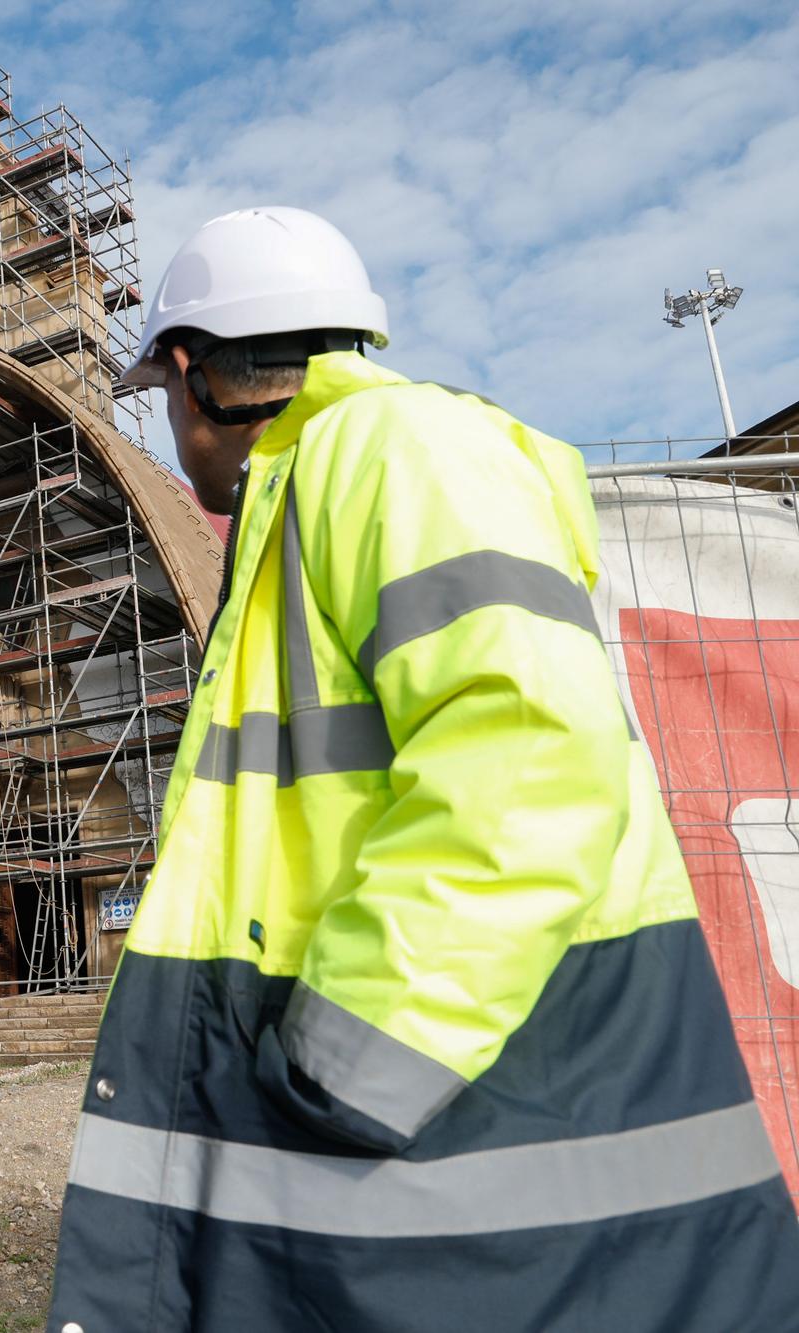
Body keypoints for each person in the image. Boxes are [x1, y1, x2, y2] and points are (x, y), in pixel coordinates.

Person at [47, 207, 799, 1332]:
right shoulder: (302, 505)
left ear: (200, 375)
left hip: (457, 1124)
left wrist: (349, 1057)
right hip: (435, 1164)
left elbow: (528, 754)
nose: (166, 429)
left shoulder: (392, 452)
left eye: (162, 394)